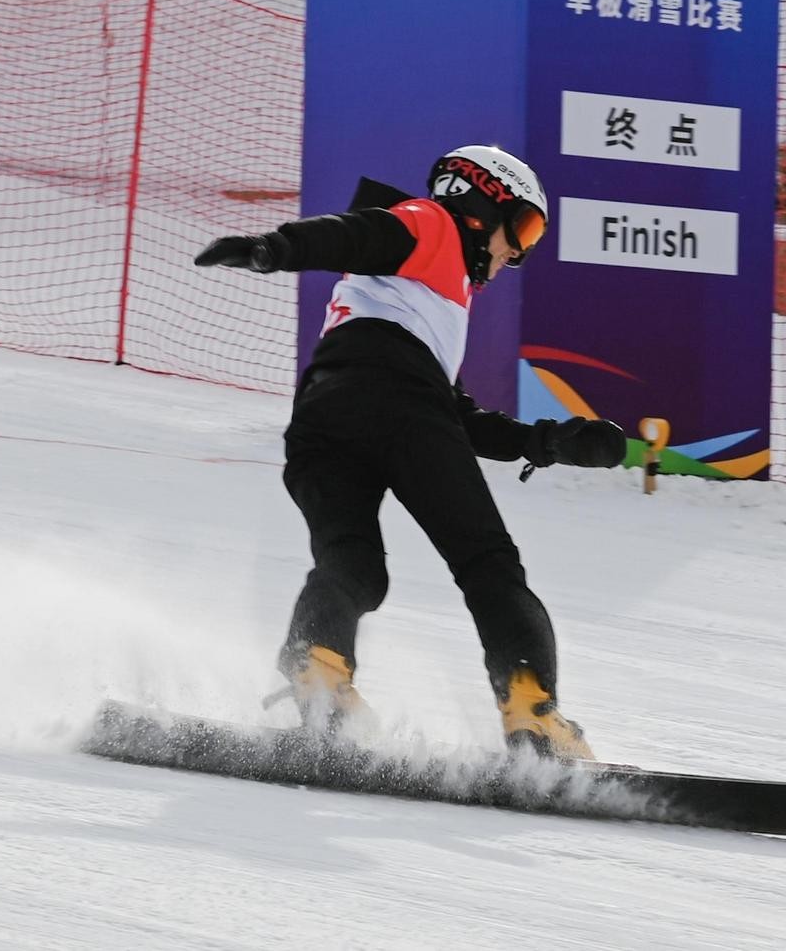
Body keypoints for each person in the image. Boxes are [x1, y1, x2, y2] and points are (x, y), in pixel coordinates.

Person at [194, 145, 626, 758]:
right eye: (524, 227)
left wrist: (548, 441)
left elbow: (458, 414)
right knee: (488, 566)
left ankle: (321, 677)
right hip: (398, 404)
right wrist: (276, 248)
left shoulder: (411, 294)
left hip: (322, 418)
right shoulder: (434, 226)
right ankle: (534, 717)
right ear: (482, 202)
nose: (519, 252)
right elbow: (361, 232)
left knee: (354, 568)